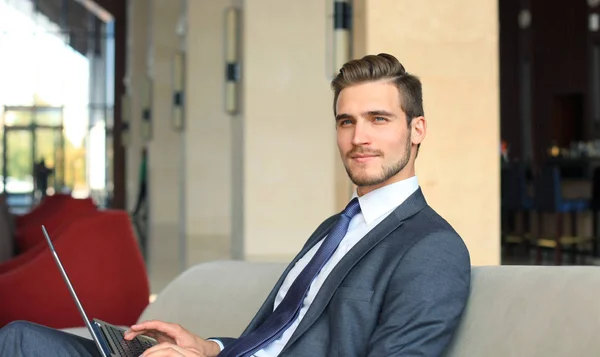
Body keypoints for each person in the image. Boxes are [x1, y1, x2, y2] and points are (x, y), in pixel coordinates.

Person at [0, 53, 471, 357]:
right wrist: (207, 349)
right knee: (19, 339)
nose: (359, 137)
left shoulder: (430, 248)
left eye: (379, 119)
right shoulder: (336, 228)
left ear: (417, 130)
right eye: (346, 121)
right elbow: (281, 336)